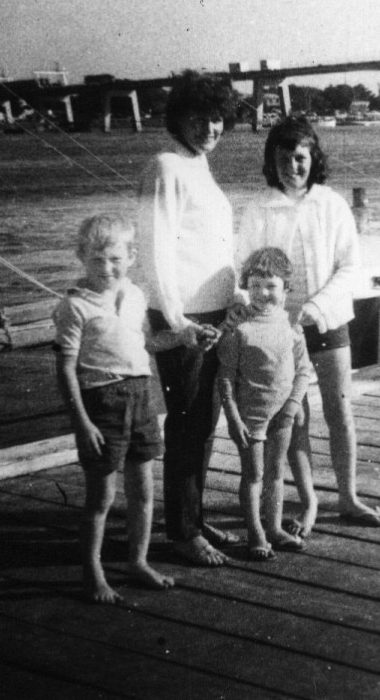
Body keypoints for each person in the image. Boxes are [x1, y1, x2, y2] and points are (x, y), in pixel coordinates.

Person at [238, 115, 380, 532]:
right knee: (295, 416)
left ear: (313, 158)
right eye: (283, 158)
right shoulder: (259, 208)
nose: (293, 166)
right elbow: (246, 270)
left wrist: (317, 307)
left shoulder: (332, 204)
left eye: (301, 157)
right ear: (272, 161)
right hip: (280, 331)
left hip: (329, 322)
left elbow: (351, 267)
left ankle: (348, 497)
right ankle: (308, 502)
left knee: (339, 410)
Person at [137, 70, 241, 566]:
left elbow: (209, 247)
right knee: (187, 424)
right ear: (178, 118)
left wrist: (236, 292)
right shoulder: (166, 166)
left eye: (218, 117)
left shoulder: (197, 165)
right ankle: (181, 532)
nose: (210, 126)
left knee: (204, 423)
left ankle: (193, 519)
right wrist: (177, 324)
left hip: (214, 315)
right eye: (199, 117)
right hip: (185, 321)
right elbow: (154, 253)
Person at [53, 214, 174, 604]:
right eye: (98, 260)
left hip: (142, 395)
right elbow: (66, 368)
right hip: (102, 402)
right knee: (101, 498)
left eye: (116, 259)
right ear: (82, 258)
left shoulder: (136, 295)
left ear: (132, 256)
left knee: (143, 491)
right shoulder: (74, 306)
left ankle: (138, 561)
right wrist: (82, 424)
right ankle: (94, 573)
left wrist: (186, 336)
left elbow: (146, 345)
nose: (108, 268)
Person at [218, 247, 313, 560]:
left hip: (283, 415)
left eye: (271, 286)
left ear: (286, 287)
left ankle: (273, 527)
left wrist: (292, 405)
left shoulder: (291, 328)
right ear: (246, 287)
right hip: (250, 419)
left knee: (275, 473)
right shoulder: (239, 331)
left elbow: (303, 371)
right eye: (255, 286)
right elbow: (227, 379)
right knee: (254, 475)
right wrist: (233, 418)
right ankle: (256, 532)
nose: (262, 292)